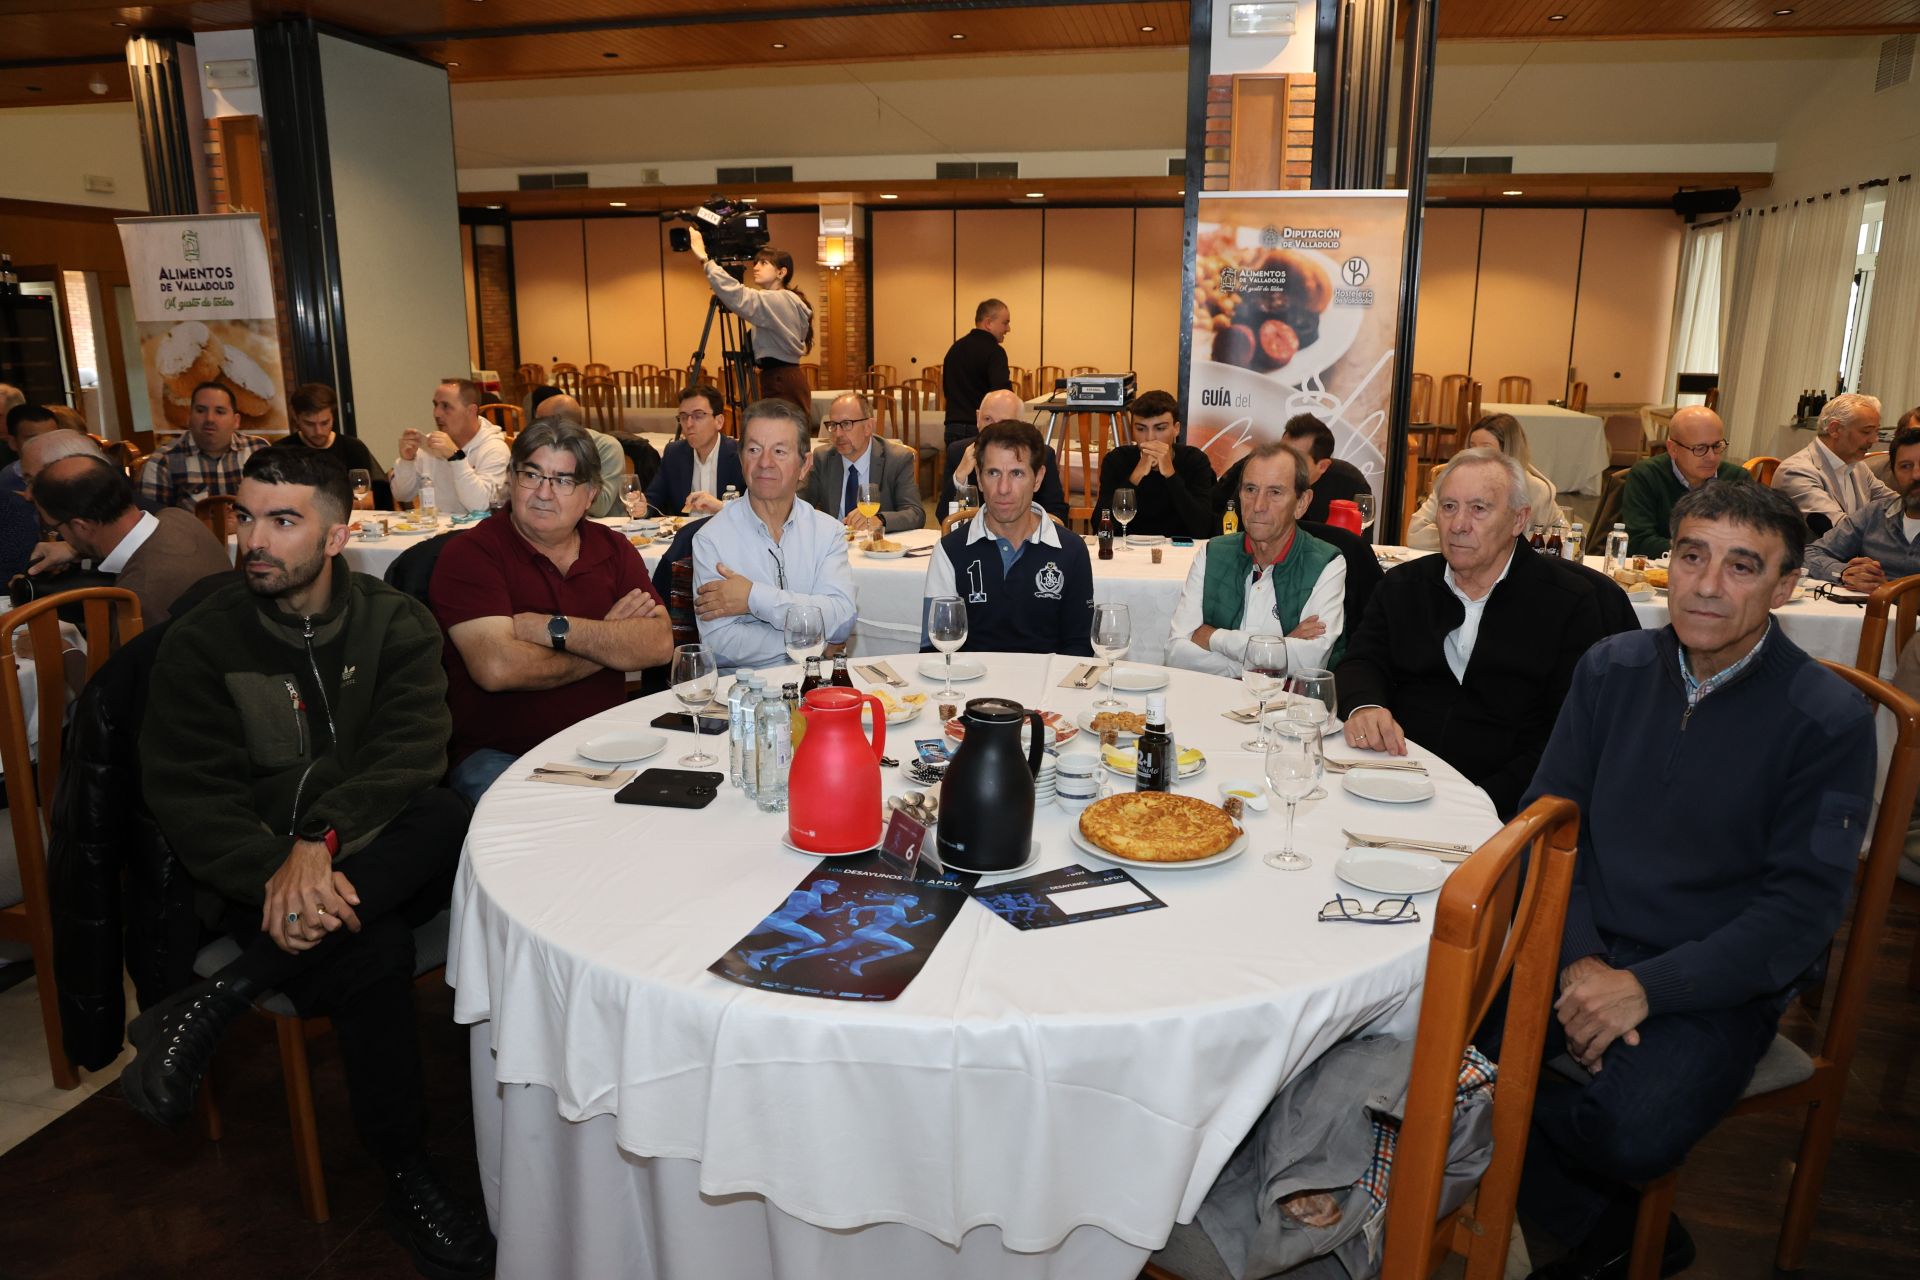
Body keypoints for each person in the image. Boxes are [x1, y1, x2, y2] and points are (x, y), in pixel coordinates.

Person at [131, 447, 494, 1278]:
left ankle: (223, 995)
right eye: (247, 516)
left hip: (365, 851)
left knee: (444, 810)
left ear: (338, 537)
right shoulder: (201, 644)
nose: (254, 539)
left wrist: (319, 842)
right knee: (371, 946)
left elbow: (411, 754)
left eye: (283, 521)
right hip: (253, 882)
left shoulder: (394, 623)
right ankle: (406, 1173)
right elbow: (191, 801)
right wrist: (282, 867)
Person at [1512, 481, 1874, 1280]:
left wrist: (1647, 988)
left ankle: (1535, 1183)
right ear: (1666, 563)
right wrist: (1581, 962)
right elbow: (1550, 824)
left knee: (1629, 1129)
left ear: (1784, 589)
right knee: (1411, 1024)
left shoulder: (1827, 720)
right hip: (1587, 938)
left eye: (1742, 567)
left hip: (1715, 974)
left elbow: (1799, 915)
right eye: (1691, 556)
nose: (1707, 585)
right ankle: (1607, 1219)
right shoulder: (1610, 668)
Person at [1334, 448, 1636, 820]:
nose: (1458, 524)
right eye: (1448, 507)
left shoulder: (1569, 604)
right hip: (1395, 776)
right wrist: (1366, 705)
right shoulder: (1403, 585)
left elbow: (1567, 733)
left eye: (1479, 509)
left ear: (1518, 520)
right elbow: (1362, 660)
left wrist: (1482, 801)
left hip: (1506, 806)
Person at [431, 418, 674, 803]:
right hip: (503, 755)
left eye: (563, 480)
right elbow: (499, 668)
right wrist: (608, 643)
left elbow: (659, 645)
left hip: (609, 747)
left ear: (591, 494)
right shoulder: (471, 554)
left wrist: (552, 628)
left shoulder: (612, 549)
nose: (544, 492)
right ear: (511, 478)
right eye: (532, 474)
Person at [692, 398, 856, 669]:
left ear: (805, 465)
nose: (765, 462)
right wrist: (815, 640)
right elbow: (719, 645)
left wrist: (753, 597)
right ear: (742, 458)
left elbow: (840, 620)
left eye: (779, 451)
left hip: (816, 694)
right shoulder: (712, 539)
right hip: (743, 701)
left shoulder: (828, 532)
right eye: (754, 449)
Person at [1166, 441, 1346, 677]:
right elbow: (1177, 655)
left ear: (1301, 503)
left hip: (1287, 708)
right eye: (1250, 490)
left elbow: (1310, 661)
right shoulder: (1212, 553)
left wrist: (1213, 637)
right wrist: (1277, 648)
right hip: (1214, 702)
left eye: (1275, 492)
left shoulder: (1326, 563)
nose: (1258, 506)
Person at [921, 418, 1093, 656]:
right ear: (979, 479)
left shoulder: (1071, 550)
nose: (1003, 488)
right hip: (971, 688)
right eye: (993, 473)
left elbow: (1080, 648)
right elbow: (934, 647)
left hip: (1045, 687)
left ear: (1038, 478)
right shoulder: (950, 551)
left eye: (1017, 473)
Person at [26, 447, 231, 624]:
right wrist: (78, 550)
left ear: (81, 526)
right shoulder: (178, 517)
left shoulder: (136, 598)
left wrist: (64, 649)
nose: (57, 535)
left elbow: (121, 670)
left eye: (55, 528)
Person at [689, 234, 814, 416]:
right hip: (785, 376)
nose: (755, 268)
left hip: (780, 379)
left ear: (781, 272)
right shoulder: (788, 299)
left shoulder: (777, 299)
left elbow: (739, 296)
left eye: (764, 263)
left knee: (782, 434)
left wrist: (705, 260)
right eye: (755, 263)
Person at [1405, 414, 1566, 549]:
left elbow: (1565, 537)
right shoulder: (1454, 484)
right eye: (1471, 446)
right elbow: (1416, 534)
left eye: (1485, 447)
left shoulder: (1537, 491)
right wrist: (1464, 539)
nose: (1474, 453)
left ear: (1508, 452)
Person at [1619, 405, 1746, 556]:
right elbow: (1638, 541)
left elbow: (1750, 538)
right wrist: (1698, 553)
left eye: (1717, 446)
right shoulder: (1647, 475)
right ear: (1673, 449)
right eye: (1700, 448)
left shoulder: (1737, 479)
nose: (1712, 457)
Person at [1804, 424, 1920, 587]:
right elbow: (1810, 554)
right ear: (1893, 473)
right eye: (1905, 466)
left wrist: (1887, 590)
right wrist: (1845, 573)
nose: (1916, 475)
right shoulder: (1875, 514)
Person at [1212, 414, 1374, 529]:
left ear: (1322, 466)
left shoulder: (1348, 483)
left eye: (1297, 458)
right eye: (1282, 452)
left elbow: (1359, 546)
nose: (1284, 463)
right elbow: (1222, 524)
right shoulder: (1255, 473)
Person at [798, 392, 926, 534]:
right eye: (833, 425)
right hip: (834, 547)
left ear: (868, 427)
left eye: (846, 424)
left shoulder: (896, 459)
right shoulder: (823, 458)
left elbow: (915, 514)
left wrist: (880, 519)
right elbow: (799, 504)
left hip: (878, 549)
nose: (838, 433)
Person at [1094, 390, 1215, 539]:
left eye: (1160, 428)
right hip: (1127, 551)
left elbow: (1203, 528)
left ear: (1176, 429)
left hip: (1179, 552)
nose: (1150, 437)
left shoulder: (1195, 460)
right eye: (1140, 429)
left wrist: (1171, 475)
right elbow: (1099, 527)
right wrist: (1135, 476)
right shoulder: (1117, 460)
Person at [938, 388, 1069, 523]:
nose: (994, 429)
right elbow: (944, 518)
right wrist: (959, 478)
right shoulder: (959, 452)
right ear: (978, 418)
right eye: (988, 419)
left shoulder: (1040, 454)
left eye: (1004, 422)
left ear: (1020, 423)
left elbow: (1058, 513)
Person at [136, 382, 270, 512]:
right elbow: (156, 525)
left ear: (236, 421)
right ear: (189, 417)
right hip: (191, 535)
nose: (210, 419)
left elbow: (278, 504)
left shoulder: (259, 451)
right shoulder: (162, 462)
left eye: (220, 411)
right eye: (200, 410)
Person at [1770, 392, 1889, 536]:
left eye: (1877, 432)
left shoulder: (1858, 466)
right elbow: (1840, 531)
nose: (1874, 440)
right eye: (1866, 432)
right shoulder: (1796, 472)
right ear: (1835, 430)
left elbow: (1893, 504)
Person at [391, 377, 511, 516]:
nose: (436, 413)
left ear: (471, 411)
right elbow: (402, 495)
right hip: (436, 530)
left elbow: (481, 507)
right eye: (435, 405)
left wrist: (456, 458)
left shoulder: (495, 449)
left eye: (446, 406)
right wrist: (407, 461)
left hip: (476, 533)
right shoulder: (432, 444)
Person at [516, 392, 630, 518]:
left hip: (603, 525)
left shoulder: (607, 447)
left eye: (539, 422)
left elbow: (602, 507)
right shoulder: (538, 446)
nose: (534, 428)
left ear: (561, 423)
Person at [646, 384, 745, 517]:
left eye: (698, 416)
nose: (689, 424)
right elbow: (652, 501)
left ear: (719, 421)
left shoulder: (741, 455)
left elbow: (755, 508)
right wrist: (642, 507)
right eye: (684, 417)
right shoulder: (674, 454)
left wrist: (721, 507)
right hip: (685, 535)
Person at [275, 381, 383, 487]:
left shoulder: (353, 448)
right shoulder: (281, 451)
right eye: (309, 424)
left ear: (333, 417)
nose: (318, 431)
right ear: (296, 417)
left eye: (325, 423)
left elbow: (369, 494)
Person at [941, 299, 1015, 445]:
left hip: (952, 427)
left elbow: (947, 389)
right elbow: (1001, 395)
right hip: (981, 430)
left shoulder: (955, 349)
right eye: (1005, 323)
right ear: (988, 323)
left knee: (958, 468)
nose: (1008, 329)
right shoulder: (995, 352)